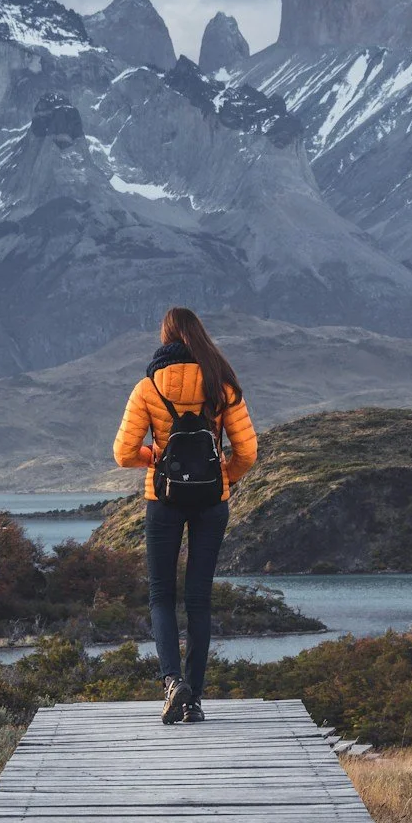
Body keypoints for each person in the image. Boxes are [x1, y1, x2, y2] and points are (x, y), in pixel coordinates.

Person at [112, 305, 258, 724]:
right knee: (199, 598)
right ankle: (193, 701)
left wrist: (155, 457)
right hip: (212, 503)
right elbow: (247, 452)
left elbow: (123, 453)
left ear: (166, 337)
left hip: (164, 500)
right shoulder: (221, 384)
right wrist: (220, 479)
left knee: (161, 595)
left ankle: (172, 683)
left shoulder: (148, 387)